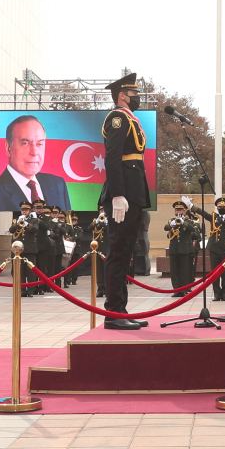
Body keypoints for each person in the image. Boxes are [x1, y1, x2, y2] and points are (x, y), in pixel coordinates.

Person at [99, 73, 150, 331]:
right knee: (118, 253)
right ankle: (113, 312)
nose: (137, 97)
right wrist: (118, 194)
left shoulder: (131, 119)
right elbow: (113, 157)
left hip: (134, 191)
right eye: (134, 93)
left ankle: (121, 309)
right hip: (124, 194)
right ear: (122, 95)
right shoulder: (117, 118)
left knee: (127, 251)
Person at [0, 114, 73, 211]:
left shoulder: (58, 184)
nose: (34, 152)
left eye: (39, 143)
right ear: (8, 148)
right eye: (25, 143)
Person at [193, 196, 225, 302]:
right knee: (215, 272)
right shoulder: (213, 217)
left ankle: (224, 294)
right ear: (217, 207)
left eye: (224, 207)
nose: (222, 208)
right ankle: (217, 294)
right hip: (214, 249)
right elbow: (203, 213)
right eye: (220, 207)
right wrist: (193, 207)